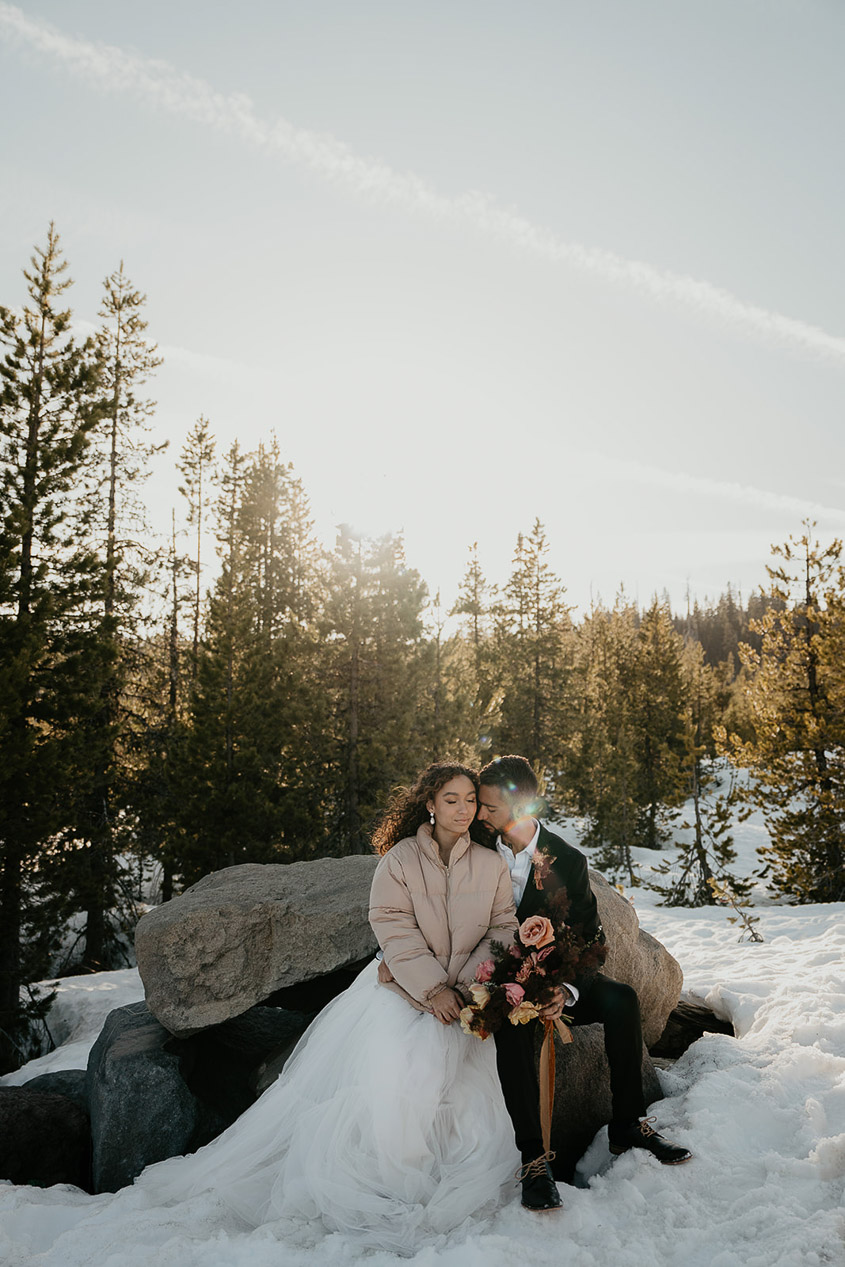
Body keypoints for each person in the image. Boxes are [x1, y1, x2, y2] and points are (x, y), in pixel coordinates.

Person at [136, 761, 522, 1255]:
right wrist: (432, 989)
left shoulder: (489, 863)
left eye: (470, 800)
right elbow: (392, 926)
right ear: (429, 803)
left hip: (466, 1000)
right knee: (398, 1081)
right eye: (451, 799)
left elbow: (503, 927)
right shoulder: (399, 861)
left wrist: (467, 988)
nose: (463, 809)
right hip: (402, 993)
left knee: (473, 1104)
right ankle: (382, 1184)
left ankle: (443, 1178)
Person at [475, 754, 693, 1211]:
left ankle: (628, 1124)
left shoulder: (567, 860)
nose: (479, 814)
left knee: (622, 1000)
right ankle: (535, 1162)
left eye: (489, 807)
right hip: (497, 978)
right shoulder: (474, 845)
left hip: (556, 977)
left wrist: (564, 990)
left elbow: (591, 935)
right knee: (511, 1027)